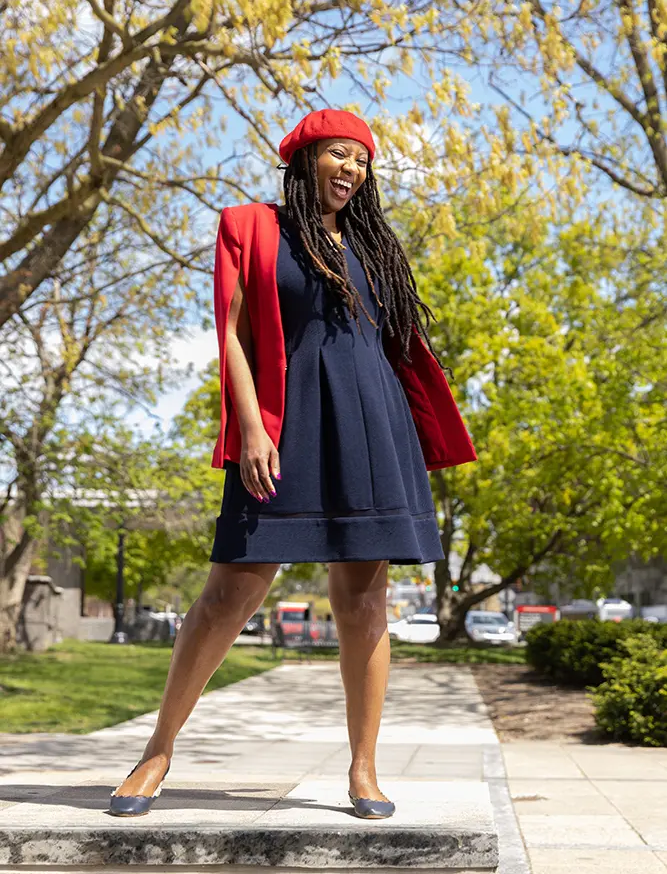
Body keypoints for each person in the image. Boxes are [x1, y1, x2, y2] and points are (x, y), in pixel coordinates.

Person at [109, 108, 476, 820]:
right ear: (306, 158)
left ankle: (363, 770)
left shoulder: (373, 245)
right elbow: (235, 335)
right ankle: (157, 750)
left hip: (372, 429)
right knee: (229, 593)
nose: (352, 170)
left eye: (362, 160)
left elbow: (391, 345)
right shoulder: (251, 227)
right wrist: (251, 427)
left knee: (364, 603)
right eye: (339, 155)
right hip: (285, 425)